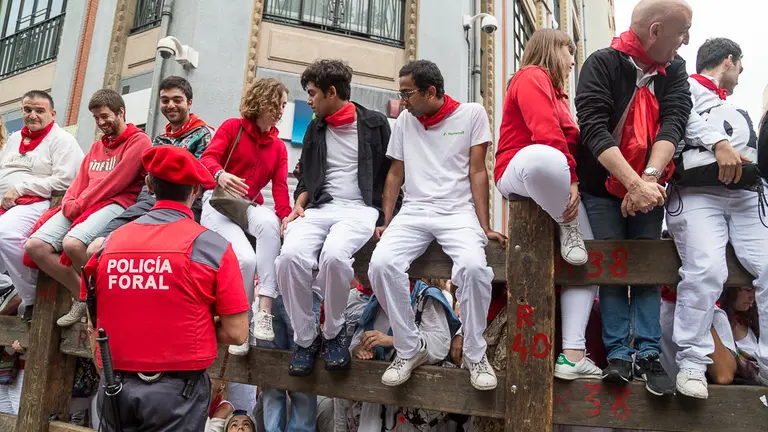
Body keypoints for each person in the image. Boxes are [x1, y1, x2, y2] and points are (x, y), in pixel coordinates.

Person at [81, 145, 249, 431]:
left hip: (114, 384)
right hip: (178, 394)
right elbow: (237, 332)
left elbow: (92, 320)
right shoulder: (213, 247)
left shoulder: (107, 245)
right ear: (196, 189)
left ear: (148, 185)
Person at [574, 0, 693, 395]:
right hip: (602, 185)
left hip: (650, 183)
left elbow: (674, 122)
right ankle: (617, 355)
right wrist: (632, 184)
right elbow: (592, 127)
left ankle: (648, 353)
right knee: (611, 264)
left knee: (643, 261)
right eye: (681, 32)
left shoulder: (675, 70)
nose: (686, 40)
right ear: (655, 31)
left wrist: (647, 181)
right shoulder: (602, 63)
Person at [368, 60, 504, 391]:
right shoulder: (404, 121)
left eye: (407, 93)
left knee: (473, 269)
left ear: (431, 91)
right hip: (414, 211)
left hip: (457, 210)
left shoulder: (472, 113)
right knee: (381, 264)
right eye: (399, 94)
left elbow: (478, 171)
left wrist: (485, 226)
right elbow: (395, 173)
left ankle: (474, 353)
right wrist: (386, 220)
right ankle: (408, 348)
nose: (402, 101)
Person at [495, 29, 601, 380]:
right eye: (569, 53)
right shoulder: (530, 76)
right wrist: (571, 180)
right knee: (544, 157)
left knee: (589, 262)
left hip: (554, 183)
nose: (572, 62)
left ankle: (572, 354)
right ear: (552, 50)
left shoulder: (561, 95)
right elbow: (545, 131)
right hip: (518, 169)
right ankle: (564, 222)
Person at [276, 59, 393, 376]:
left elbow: (390, 177)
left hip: (359, 209)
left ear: (331, 92)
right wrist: (298, 203)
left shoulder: (375, 124)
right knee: (288, 257)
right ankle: (305, 338)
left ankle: (333, 333)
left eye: (313, 94)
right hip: (318, 209)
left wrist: (388, 218)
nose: (310, 100)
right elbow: (305, 177)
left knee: (335, 257)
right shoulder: (315, 127)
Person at [666, 37, 768, 398]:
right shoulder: (686, 85)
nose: (740, 75)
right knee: (707, 268)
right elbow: (679, 116)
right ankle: (693, 362)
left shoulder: (736, 110)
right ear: (729, 60)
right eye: (740, 66)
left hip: (743, 195)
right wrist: (718, 144)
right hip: (697, 192)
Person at [25, 89, 149, 327]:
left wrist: (79, 204)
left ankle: (109, 300)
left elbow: (116, 182)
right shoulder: (95, 148)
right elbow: (79, 180)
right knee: (35, 246)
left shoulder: (139, 140)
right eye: (96, 118)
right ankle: (83, 297)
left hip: (117, 202)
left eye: (105, 116)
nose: (101, 123)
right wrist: (70, 201)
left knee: (73, 244)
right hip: (84, 204)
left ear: (120, 112)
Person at [199, 77, 291, 357]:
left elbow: (281, 189)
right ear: (266, 101)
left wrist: (287, 217)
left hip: (247, 206)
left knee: (269, 221)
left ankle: (263, 311)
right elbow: (206, 159)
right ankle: (242, 324)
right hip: (218, 203)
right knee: (246, 259)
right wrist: (220, 174)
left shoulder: (278, 147)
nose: (282, 110)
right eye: (280, 103)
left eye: (285, 106)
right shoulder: (232, 127)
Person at [86, 76, 213, 258]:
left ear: (189, 102)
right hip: (151, 201)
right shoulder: (160, 139)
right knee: (97, 246)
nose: (170, 105)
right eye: (165, 100)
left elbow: (201, 181)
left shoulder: (204, 134)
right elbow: (149, 179)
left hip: (185, 204)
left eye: (177, 100)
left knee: (154, 253)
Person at [0, 91, 83, 322]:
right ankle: (8, 287)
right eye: (27, 110)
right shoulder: (16, 138)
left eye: (39, 110)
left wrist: (22, 187)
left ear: (52, 114)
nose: (32, 115)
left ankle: (30, 296)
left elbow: (66, 180)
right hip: (7, 204)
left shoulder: (63, 140)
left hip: (40, 203)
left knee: (5, 234)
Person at [350, 280, 461, 431]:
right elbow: (358, 337)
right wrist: (359, 348)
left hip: (412, 404)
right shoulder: (378, 299)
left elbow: (439, 344)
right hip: (376, 402)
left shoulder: (426, 297)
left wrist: (393, 340)